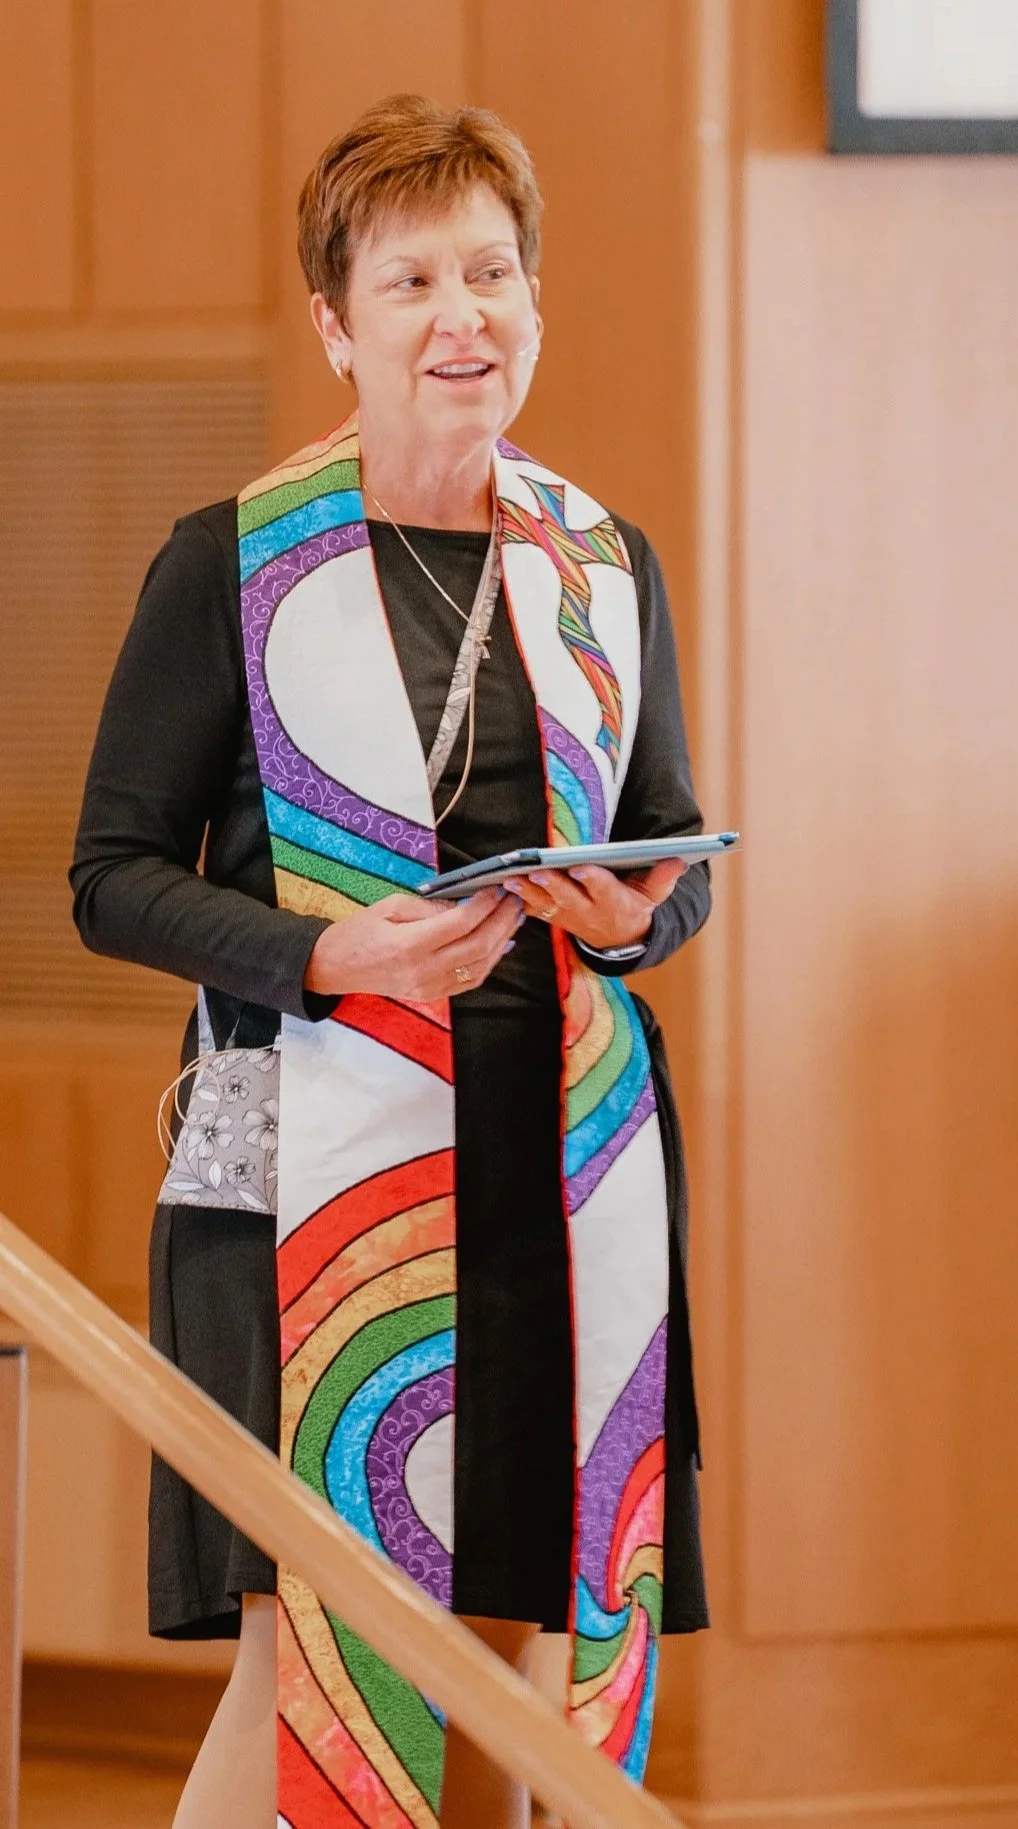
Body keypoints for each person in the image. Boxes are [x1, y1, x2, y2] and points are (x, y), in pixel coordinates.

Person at [70, 93, 711, 1829]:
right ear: (337, 329)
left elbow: (671, 846)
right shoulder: (227, 563)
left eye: (492, 273)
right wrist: (322, 952)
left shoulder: (601, 564)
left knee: (496, 1646)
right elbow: (108, 881)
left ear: (535, 308)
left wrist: (646, 917)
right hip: (304, 1189)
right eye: (412, 279)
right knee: (324, 1649)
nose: (463, 316)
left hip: (553, 1181)